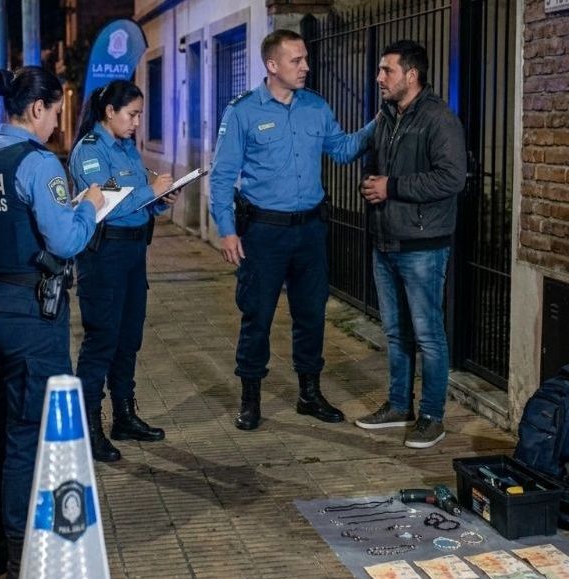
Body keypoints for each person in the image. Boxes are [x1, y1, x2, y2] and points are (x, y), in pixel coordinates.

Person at [0, 66, 104, 579]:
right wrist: (90, 207)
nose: (57, 122)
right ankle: (22, 554)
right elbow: (65, 241)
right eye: (56, 111)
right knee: (28, 433)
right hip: (28, 311)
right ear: (38, 108)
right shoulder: (38, 163)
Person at [210, 29, 375, 431]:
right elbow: (222, 176)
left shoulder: (315, 107)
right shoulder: (243, 111)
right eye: (296, 60)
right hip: (263, 233)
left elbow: (342, 150)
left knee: (311, 314)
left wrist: (379, 122)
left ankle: (309, 394)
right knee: (257, 316)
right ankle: (250, 399)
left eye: (305, 59)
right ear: (272, 65)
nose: (305, 67)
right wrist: (227, 230)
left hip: (310, 231)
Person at [355, 40, 466, 449]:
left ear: (412, 75)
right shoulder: (386, 117)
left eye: (387, 70)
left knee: (428, 334)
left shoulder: (439, 119)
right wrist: (371, 184)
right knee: (395, 332)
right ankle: (399, 406)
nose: (379, 77)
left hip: (423, 245)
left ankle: (432, 417)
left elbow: (452, 178)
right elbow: (374, 164)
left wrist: (392, 187)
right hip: (385, 240)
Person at [69, 80, 177, 463]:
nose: (136, 123)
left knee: (129, 337)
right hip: (104, 255)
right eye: (131, 115)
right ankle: (90, 428)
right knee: (102, 339)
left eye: (140, 115)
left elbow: (134, 195)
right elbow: (104, 202)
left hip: (133, 252)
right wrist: (150, 191)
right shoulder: (90, 151)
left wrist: (160, 200)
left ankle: (124, 416)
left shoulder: (127, 148)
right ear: (109, 112)